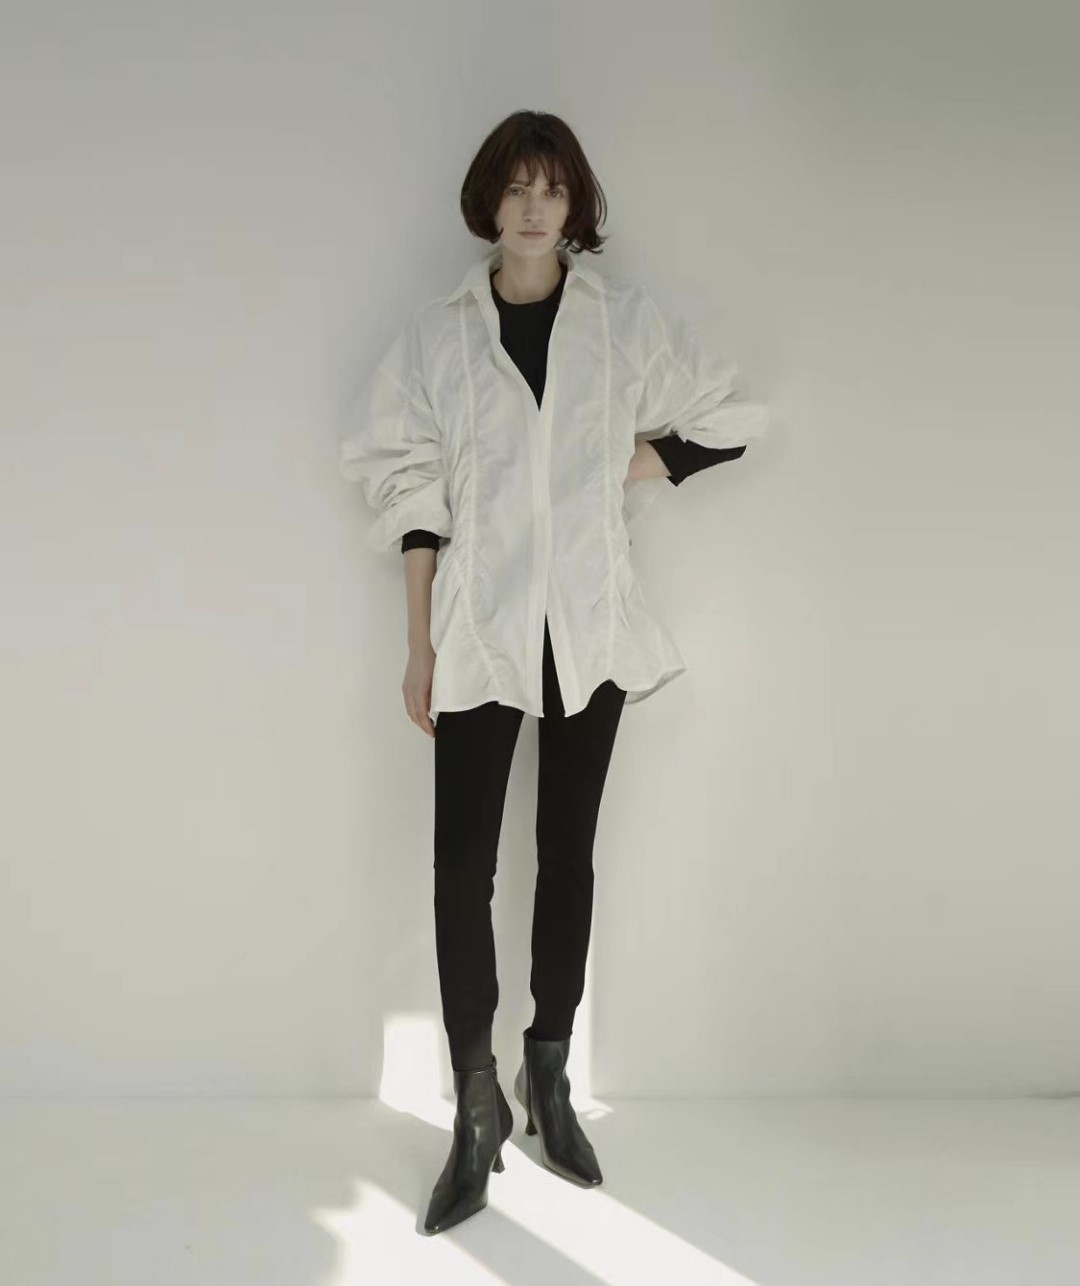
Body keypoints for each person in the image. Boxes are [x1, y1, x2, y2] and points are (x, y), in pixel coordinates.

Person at [340, 109, 768, 1235]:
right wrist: (420, 644)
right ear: (489, 200)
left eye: (554, 189)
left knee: (565, 857)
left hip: (589, 631)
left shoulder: (622, 327)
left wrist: (636, 460)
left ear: (576, 205)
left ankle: (549, 1073)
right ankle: (475, 1107)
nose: (534, 208)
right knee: (461, 872)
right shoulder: (437, 339)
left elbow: (736, 415)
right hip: (479, 632)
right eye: (517, 188)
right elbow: (407, 487)